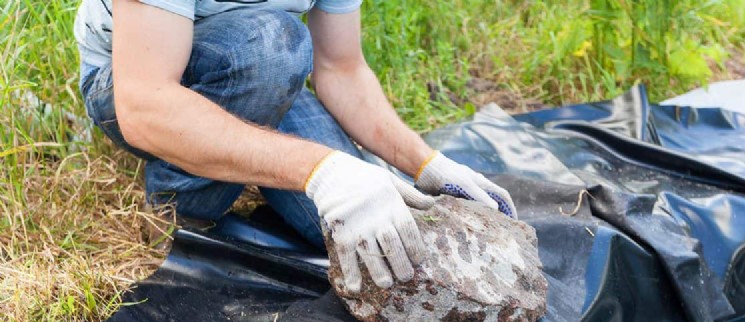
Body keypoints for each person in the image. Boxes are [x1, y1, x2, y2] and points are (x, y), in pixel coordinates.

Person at [75, 0, 517, 293]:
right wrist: (320, 169)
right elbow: (144, 103)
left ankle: (256, 99)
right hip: (133, 74)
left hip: (251, 66)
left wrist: (428, 164)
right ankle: (183, 204)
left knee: (366, 232)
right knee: (274, 44)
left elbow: (341, 69)